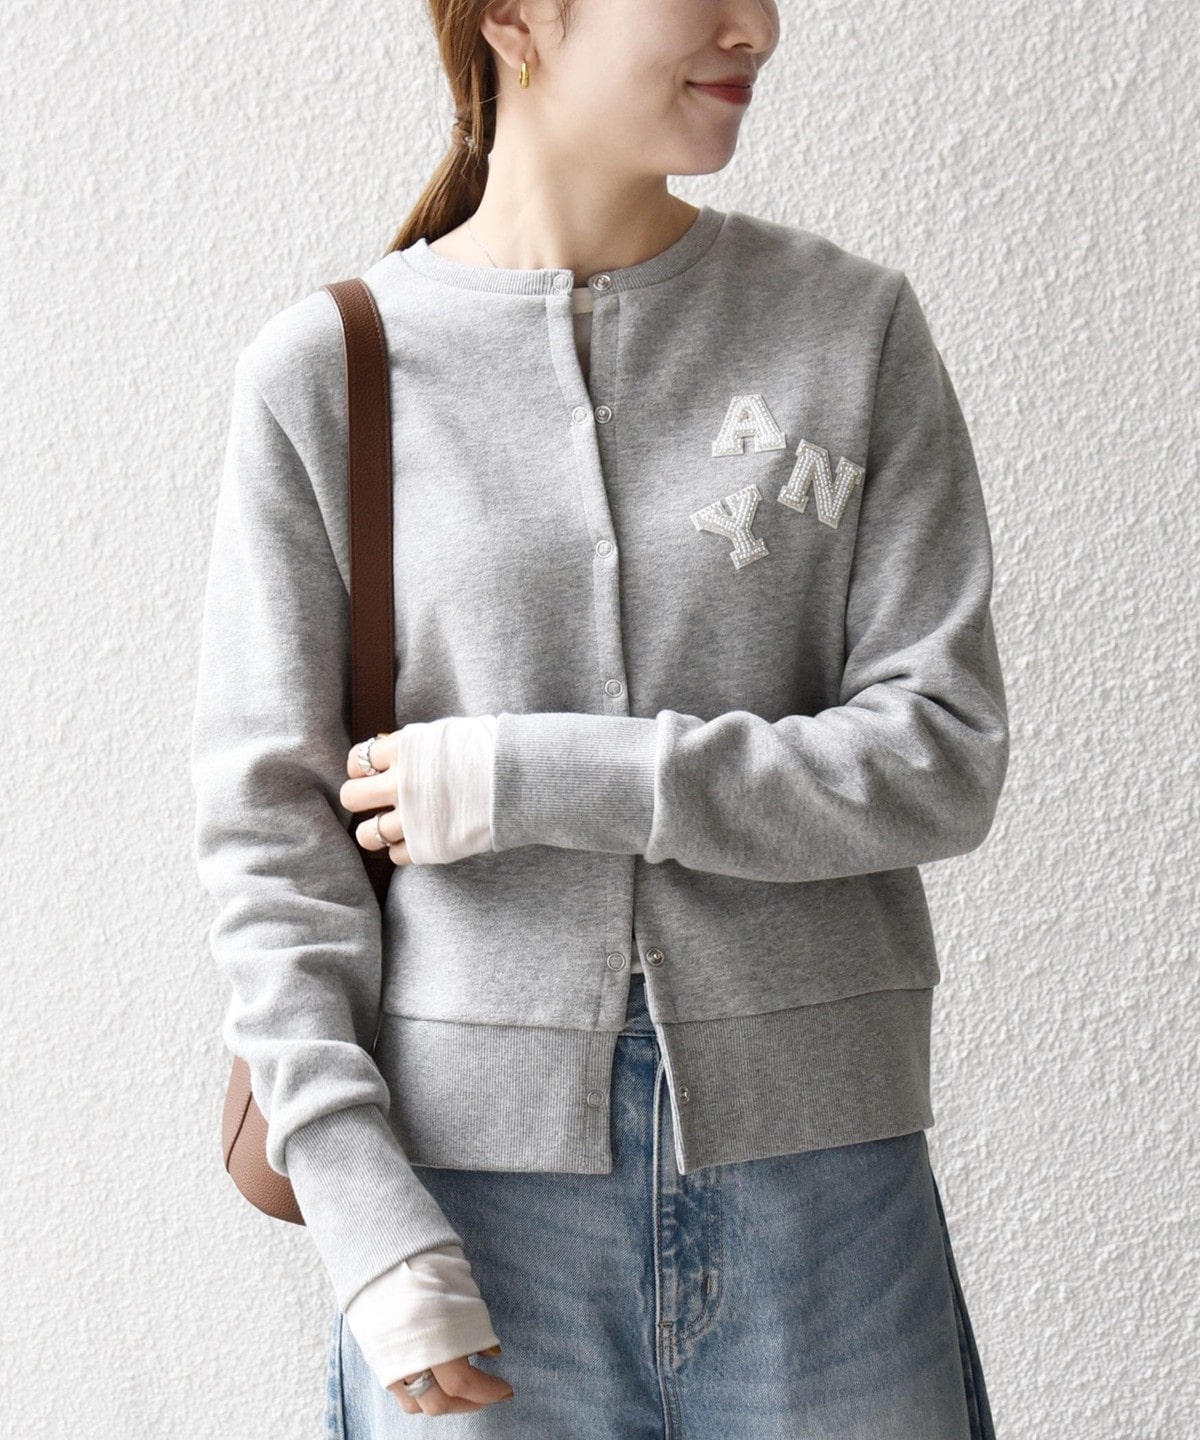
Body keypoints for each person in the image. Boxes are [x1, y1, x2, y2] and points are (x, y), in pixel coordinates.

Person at [190, 1, 1008, 1435]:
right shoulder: (330, 370)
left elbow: (941, 755)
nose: (757, 26)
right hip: (465, 1215)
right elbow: (273, 841)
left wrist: (534, 775)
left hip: (826, 1197)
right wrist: (362, 1213)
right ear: (513, 17)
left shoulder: (849, 329)